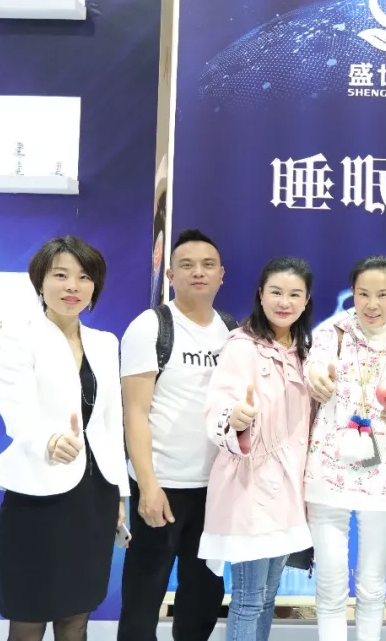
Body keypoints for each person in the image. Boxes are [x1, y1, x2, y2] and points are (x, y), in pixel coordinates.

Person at [0, 236, 128, 641]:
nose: (72, 286)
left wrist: (119, 494)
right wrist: (48, 440)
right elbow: (16, 410)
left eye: (84, 277)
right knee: (28, 619)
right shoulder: (18, 337)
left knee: (76, 619)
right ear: (40, 282)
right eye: (60, 275)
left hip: (95, 496)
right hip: (38, 494)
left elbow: (111, 423)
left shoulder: (105, 343)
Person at [118, 229, 236, 641]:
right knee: (144, 594)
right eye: (187, 265)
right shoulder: (150, 326)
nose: (198, 272)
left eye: (207, 265)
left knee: (203, 597)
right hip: (163, 485)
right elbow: (134, 412)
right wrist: (147, 485)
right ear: (170, 275)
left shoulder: (232, 331)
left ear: (222, 274)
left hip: (215, 488)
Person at [304, 254, 386, 641]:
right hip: (328, 472)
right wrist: (318, 377)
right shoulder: (331, 333)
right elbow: (314, 367)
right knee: (330, 584)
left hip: (382, 475)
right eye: (363, 294)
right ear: (353, 293)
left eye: (382, 294)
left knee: (372, 587)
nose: (372, 304)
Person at [199, 257, 316, 641]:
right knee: (248, 599)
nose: (285, 302)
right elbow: (218, 406)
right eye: (276, 292)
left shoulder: (306, 352)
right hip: (249, 488)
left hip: (289, 491)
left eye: (295, 294)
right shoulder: (242, 346)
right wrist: (235, 418)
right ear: (260, 295)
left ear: (306, 300)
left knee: (267, 597)